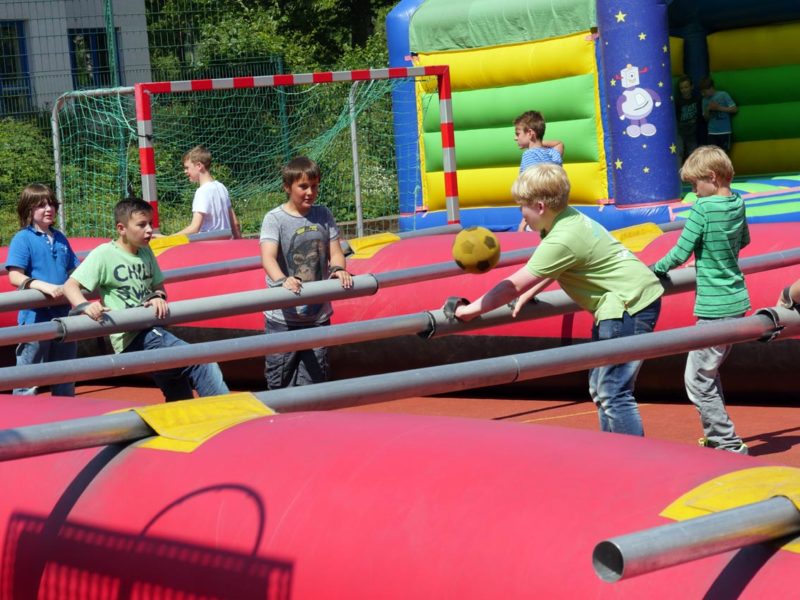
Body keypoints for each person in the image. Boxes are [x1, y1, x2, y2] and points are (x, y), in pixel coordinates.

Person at [454, 163, 663, 436]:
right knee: (600, 389)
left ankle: (633, 461)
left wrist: (469, 312)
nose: (521, 214)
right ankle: (613, 452)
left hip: (628, 305)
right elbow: (556, 267)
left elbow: (511, 286)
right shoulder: (565, 219)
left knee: (613, 391)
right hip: (620, 303)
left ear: (540, 206)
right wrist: (532, 292)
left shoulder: (562, 237)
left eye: (522, 206)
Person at [63, 197, 230, 402]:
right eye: (141, 225)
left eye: (150, 223)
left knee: (176, 384)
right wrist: (85, 305)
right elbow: (70, 286)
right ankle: (229, 415)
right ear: (121, 228)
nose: (149, 230)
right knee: (201, 360)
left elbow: (158, 286)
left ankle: (183, 426)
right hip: (134, 337)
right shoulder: (104, 254)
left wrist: (158, 296)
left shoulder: (146, 251)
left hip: (154, 330)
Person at [652, 146, 750, 455]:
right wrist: (708, 257)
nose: (693, 193)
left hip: (715, 306)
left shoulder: (703, 209)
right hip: (736, 300)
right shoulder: (737, 203)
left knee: (696, 378)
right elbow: (742, 241)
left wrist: (654, 269)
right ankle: (717, 436)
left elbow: (680, 252)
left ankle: (727, 442)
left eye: (695, 186)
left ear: (711, 177)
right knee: (709, 372)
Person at [259, 156, 353, 389]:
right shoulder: (275, 219)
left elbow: (336, 251)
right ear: (287, 187)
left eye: (315, 186)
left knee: (314, 382)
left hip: (317, 317)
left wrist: (340, 269)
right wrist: (282, 280)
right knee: (279, 381)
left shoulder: (323, 215)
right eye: (303, 186)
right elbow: (268, 257)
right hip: (283, 320)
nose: (310, 192)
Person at [5, 183, 80, 396]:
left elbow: (76, 271)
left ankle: (66, 417)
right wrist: (43, 286)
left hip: (64, 317)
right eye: (41, 206)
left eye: (51, 204)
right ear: (29, 210)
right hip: (35, 318)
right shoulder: (23, 238)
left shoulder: (60, 238)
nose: (48, 209)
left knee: (65, 373)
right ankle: (24, 419)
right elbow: (14, 276)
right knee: (28, 376)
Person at [513, 110, 564, 232]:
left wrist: (523, 223)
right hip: (555, 215)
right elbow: (559, 144)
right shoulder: (552, 154)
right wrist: (539, 142)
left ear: (530, 133)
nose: (515, 138)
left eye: (518, 133)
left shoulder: (529, 156)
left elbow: (531, 190)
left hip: (536, 217)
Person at [176, 145, 241, 238]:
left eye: (187, 168)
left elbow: (194, 228)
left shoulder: (202, 192)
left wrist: (168, 238)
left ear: (199, 166)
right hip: (227, 245)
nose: (185, 171)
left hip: (209, 247)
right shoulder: (221, 187)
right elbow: (235, 224)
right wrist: (239, 243)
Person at [699, 77, 738, 154]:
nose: (703, 94)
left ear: (711, 88)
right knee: (713, 157)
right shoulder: (704, 100)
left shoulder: (723, 95)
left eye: (704, 91)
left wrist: (718, 108)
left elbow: (734, 109)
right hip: (712, 133)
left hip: (725, 132)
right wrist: (708, 110)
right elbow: (706, 119)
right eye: (702, 92)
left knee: (725, 155)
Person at [674, 75, 703, 164]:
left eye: (686, 87)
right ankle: (678, 173)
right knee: (679, 151)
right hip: (681, 129)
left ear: (691, 87)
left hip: (692, 129)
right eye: (682, 88)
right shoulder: (678, 101)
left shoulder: (697, 99)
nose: (684, 90)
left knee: (693, 152)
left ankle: (694, 173)